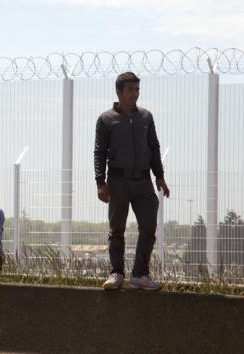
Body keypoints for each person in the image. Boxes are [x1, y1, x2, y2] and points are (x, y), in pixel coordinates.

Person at [94, 72, 170, 290]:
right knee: (116, 229)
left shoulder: (146, 117)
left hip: (143, 181)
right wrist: (100, 182)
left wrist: (160, 176)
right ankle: (116, 273)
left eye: (137, 89)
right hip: (117, 180)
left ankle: (140, 275)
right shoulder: (106, 119)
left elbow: (154, 147)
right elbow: (99, 152)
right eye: (130, 90)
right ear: (119, 92)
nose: (135, 94)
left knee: (148, 226)